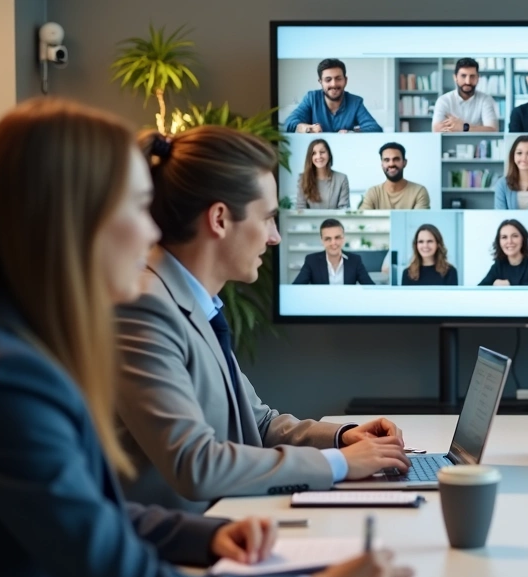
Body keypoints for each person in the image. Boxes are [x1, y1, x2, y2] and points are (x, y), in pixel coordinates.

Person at [0, 98, 417, 577]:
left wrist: (202, 538)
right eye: (138, 209)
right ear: (80, 218)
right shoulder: (2, 380)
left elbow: (90, 511)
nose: (149, 235)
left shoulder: (11, 353)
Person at [114, 126, 410, 513]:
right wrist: (338, 465)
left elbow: (260, 423)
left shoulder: (192, 301)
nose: (275, 238)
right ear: (219, 219)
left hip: (233, 524)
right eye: (269, 218)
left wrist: (343, 438)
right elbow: (196, 464)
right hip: (179, 551)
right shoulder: (145, 308)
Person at [282, 58, 382, 133]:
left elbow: (375, 128)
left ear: (345, 80)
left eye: (338, 78)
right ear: (320, 82)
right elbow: (289, 123)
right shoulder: (311, 98)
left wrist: (351, 132)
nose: (333, 84)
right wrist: (308, 128)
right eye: (328, 80)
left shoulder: (355, 102)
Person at [293, 219, 374, 285]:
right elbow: (296, 287)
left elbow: (371, 288)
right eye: (328, 239)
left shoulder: (355, 260)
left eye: (337, 237)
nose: (333, 243)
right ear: (322, 241)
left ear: (343, 238)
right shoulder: (311, 260)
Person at [432, 57, 499, 132]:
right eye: (463, 76)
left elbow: (493, 130)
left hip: (477, 143)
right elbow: (437, 129)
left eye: (472, 76)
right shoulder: (444, 100)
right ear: (455, 77)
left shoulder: (485, 100)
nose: (468, 81)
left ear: (478, 78)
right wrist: (477, 128)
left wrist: (464, 127)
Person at [360, 142, 431, 210]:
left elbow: (418, 221)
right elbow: (363, 220)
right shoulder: (373, 192)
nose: (391, 164)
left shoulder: (419, 191)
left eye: (396, 159)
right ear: (382, 164)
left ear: (404, 163)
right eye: (386, 160)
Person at [478, 219, 528, 286]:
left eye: (515, 236)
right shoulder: (499, 265)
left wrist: (510, 285)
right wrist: (494, 285)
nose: (509, 241)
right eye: (504, 237)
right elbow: (478, 291)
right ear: (499, 242)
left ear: (523, 238)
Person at [294, 139, 350, 209]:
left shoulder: (342, 179)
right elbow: (300, 208)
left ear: (329, 154)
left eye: (322, 152)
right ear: (310, 157)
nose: (318, 156)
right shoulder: (302, 179)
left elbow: (343, 209)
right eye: (314, 153)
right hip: (309, 220)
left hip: (334, 220)